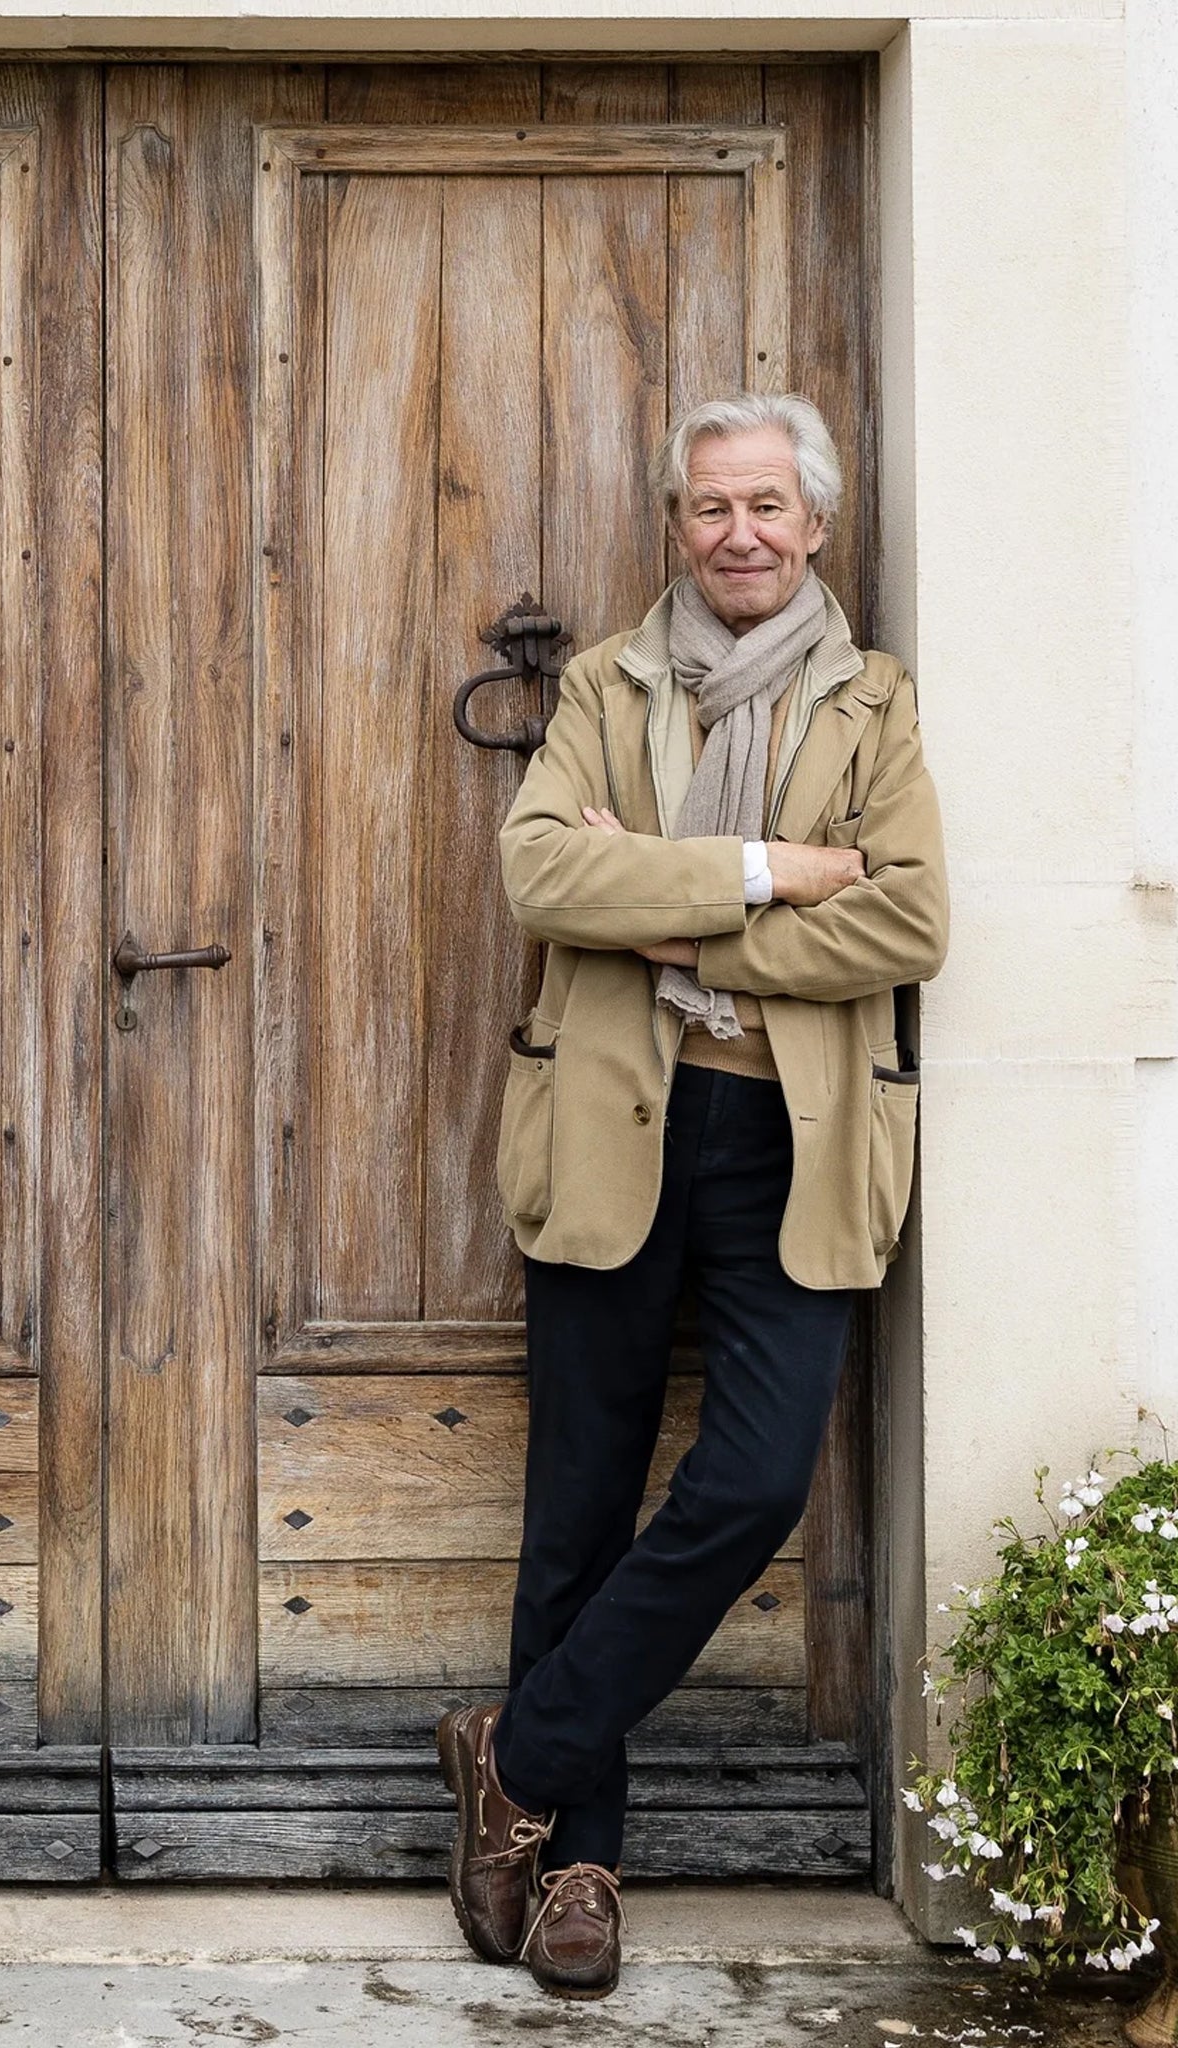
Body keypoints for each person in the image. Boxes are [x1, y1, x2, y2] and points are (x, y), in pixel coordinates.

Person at [439, 394, 948, 1998]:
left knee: (751, 1485)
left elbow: (913, 923)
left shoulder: (872, 703)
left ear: (815, 526)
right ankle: (576, 1863)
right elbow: (541, 874)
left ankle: (514, 1753)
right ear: (677, 526)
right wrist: (772, 873)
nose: (739, 533)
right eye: (710, 507)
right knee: (578, 1508)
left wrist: (672, 928)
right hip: (614, 1128)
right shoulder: (606, 684)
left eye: (767, 507)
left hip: (791, 1147)